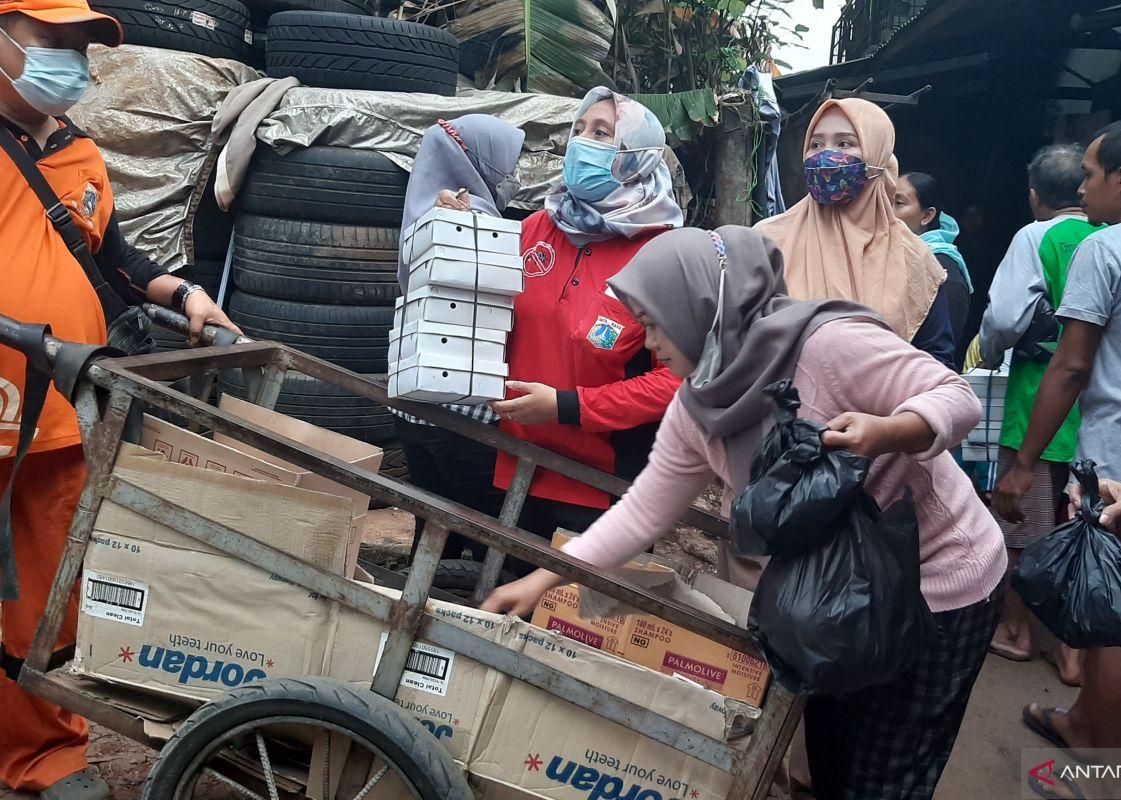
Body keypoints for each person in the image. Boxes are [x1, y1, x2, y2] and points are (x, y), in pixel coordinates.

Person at [482, 225, 1006, 799]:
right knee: (834, 759)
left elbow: (957, 397)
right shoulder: (698, 406)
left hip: (938, 584)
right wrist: (541, 579)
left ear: (698, 307)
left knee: (889, 772)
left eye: (652, 322)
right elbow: (644, 513)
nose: (647, 342)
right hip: (834, 597)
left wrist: (888, 431)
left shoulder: (825, 347)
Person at [0, 2, 240, 797]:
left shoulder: (79, 155)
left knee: (42, 595)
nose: (69, 61)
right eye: (51, 43)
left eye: (79, 48)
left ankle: (42, 754)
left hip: (59, 414)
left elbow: (112, 253)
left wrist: (187, 293)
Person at [991, 118, 1121, 785]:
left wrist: (1024, 463)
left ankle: (1107, 777)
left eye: (1088, 174)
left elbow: (1071, 367)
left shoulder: (1106, 251)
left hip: (1115, 464)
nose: (1081, 188)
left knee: (1111, 619)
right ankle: (1083, 721)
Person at [479, 88, 683, 538]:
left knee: (580, 608)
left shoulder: (662, 254)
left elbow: (675, 382)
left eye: (602, 133)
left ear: (636, 155)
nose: (581, 142)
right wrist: (458, 226)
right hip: (511, 461)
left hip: (602, 483)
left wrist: (565, 406)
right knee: (499, 587)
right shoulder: (537, 227)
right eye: (579, 130)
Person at [970, 144, 1100, 684]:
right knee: (1086, 522)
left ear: (1033, 195)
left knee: (1020, 517)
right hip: (1099, 397)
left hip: (1039, 392)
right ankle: (1073, 649)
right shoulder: (1111, 237)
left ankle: (1017, 631)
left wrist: (992, 349)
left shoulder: (1036, 236)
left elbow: (1004, 315)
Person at [394, 115, 523, 560]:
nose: (514, 176)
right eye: (509, 163)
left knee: (434, 531)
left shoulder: (423, 207)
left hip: (414, 405)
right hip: (468, 411)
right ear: (479, 161)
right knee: (489, 540)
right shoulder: (471, 221)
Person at [756, 98, 956, 370]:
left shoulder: (915, 261)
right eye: (815, 144)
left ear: (877, 156)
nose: (825, 156)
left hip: (878, 411)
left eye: (844, 143)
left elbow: (937, 365)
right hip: (780, 408)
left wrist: (891, 413)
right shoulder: (766, 241)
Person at [894, 171, 972, 358]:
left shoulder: (943, 269)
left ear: (927, 216)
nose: (886, 210)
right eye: (884, 200)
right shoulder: (885, 256)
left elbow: (941, 353)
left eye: (898, 203)